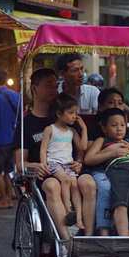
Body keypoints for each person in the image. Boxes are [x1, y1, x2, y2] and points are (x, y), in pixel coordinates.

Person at [14, 67, 97, 250]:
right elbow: (20, 163)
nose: (54, 89)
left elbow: (80, 148)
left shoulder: (65, 115)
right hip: (45, 174)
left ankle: (89, 238)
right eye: (49, 85)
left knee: (89, 183)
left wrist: (80, 162)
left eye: (55, 85)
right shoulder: (26, 123)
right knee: (53, 185)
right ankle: (66, 241)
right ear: (34, 89)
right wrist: (37, 165)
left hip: (71, 167)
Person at [84, 107, 129, 236]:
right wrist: (111, 152)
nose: (119, 128)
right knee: (120, 202)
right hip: (118, 170)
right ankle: (124, 237)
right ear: (104, 128)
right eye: (114, 125)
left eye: (122, 125)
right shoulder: (102, 141)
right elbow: (89, 159)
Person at [39, 93, 88, 230]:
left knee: (74, 183)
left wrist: (83, 128)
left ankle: (78, 217)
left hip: (67, 163)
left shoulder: (72, 131)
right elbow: (43, 150)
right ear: (59, 114)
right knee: (66, 180)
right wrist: (43, 164)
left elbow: (82, 147)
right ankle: (67, 210)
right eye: (71, 113)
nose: (74, 116)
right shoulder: (50, 129)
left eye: (75, 113)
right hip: (53, 162)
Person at [0, 69, 21, 210]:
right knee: (8, 170)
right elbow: (20, 117)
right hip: (13, 139)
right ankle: (9, 199)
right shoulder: (15, 95)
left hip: (1, 139)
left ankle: (3, 200)